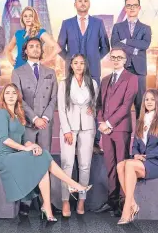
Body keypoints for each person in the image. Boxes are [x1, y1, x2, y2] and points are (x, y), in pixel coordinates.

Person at [0, 83, 92, 222]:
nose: (10, 96)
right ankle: (72, 185)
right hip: (5, 156)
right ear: (3, 97)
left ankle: (47, 207)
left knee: (43, 163)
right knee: (45, 157)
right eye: (7, 93)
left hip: (16, 154)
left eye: (13, 93)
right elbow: (4, 139)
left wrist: (33, 145)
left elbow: (23, 141)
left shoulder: (18, 115)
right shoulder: (2, 113)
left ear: (18, 97)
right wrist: (25, 149)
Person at [58, 0, 110, 154]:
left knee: (93, 106)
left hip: (93, 71)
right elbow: (60, 47)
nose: (82, 3)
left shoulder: (98, 23)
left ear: (89, 4)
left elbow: (105, 47)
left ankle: (94, 143)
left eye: (85, 1)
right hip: (73, 73)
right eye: (79, 1)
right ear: (75, 4)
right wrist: (70, 61)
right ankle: (73, 138)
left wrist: (93, 59)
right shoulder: (67, 23)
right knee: (72, 105)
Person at [11, 37, 57, 216]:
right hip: (28, 124)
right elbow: (18, 99)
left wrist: (44, 117)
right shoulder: (18, 72)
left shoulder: (50, 72)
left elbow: (54, 98)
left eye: (38, 46)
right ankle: (26, 200)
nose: (35, 49)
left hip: (45, 124)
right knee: (27, 161)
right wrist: (35, 118)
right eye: (31, 46)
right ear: (25, 51)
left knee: (44, 161)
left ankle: (44, 200)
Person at [116, 89, 158, 224]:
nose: (149, 102)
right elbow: (135, 144)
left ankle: (126, 209)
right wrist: (135, 154)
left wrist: (145, 156)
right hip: (142, 161)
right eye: (147, 99)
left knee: (128, 164)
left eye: (152, 99)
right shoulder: (141, 121)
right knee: (120, 166)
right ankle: (134, 204)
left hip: (157, 162)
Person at [94, 48, 138, 216]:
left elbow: (126, 105)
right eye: (113, 57)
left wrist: (109, 123)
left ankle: (123, 203)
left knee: (122, 166)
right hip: (105, 130)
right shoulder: (105, 80)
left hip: (120, 129)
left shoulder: (132, 78)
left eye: (119, 57)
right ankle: (112, 201)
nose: (116, 60)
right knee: (110, 167)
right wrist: (101, 122)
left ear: (125, 60)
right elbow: (99, 105)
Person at [57, 54, 98, 217]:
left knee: (85, 165)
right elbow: (61, 108)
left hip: (88, 127)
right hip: (69, 128)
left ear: (86, 65)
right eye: (76, 63)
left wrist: (92, 109)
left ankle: (82, 199)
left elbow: (94, 104)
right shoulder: (64, 83)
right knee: (67, 164)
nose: (79, 66)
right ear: (71, 65)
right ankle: (65, 200)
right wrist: (66, 130)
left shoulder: (92, 83)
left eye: (82, 63)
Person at [111, 0, 151, 118]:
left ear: (139, 8)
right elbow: (114, 44)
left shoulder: (146, 28)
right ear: (125, 8)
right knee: (121, 105)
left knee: (141, 105)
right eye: (129, 5)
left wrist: (127, 41)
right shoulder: (117, 27)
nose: (132, 8)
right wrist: (133, 50)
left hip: (140, 71)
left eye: (134, 5)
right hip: (123, 69)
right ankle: (121, 136)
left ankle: (141, 135)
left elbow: (145, 44)